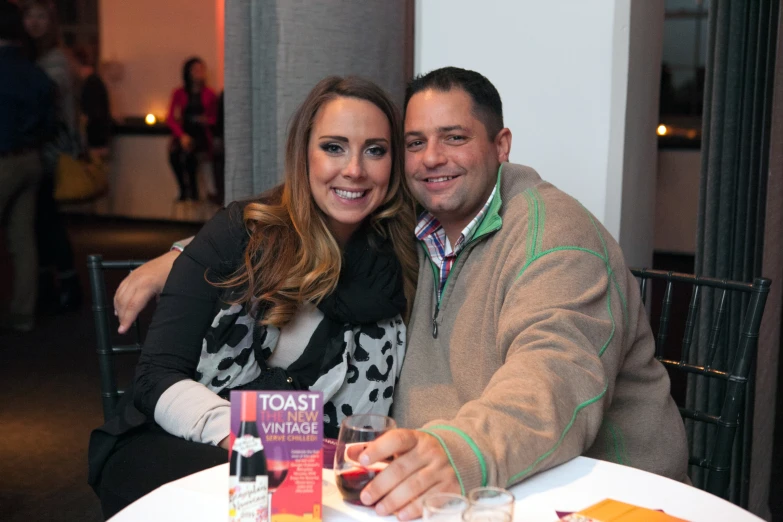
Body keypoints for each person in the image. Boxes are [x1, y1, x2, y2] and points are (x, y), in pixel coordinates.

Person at [112, 67, 689, 519]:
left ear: (501, 144)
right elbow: (286, 221)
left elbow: (552, 381)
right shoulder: (422, 224)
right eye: (416, 142)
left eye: (454, 138)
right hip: (433, 481)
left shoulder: (551, 237)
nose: (432, 158)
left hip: (586, 491)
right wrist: (183, 257)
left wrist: (454, 452)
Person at [88, 76, 419, 519]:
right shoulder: (241, 235)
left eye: (375, 150)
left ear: (394, 164)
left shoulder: (402, 258)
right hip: (183, 440)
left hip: (313, 467)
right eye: (333, 147)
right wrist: (248, 441)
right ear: (304, 155)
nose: (355, 169)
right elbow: (156, 377)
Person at [21, 0, 81, 312]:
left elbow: (46, 104)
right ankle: (55, 283)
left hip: (51, 149)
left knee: (46, 219)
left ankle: (67, 284)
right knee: (40, 220)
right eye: (29, 15)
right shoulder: (37, 57)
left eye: (41, 15)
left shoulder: (55, 60)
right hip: (44, 147)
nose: (34, 22)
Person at [0, 0, 54, 332]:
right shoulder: (34, 71)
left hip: (3, 160)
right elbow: (48, 120)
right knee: (22, 240)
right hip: (32, 159)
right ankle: (23, 314)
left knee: (21, 239)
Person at [167, 57, 218, 201]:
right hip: (185, 132)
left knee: (192, 154)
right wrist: (181, 135)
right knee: (175, 154)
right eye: (196, 70)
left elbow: (215, 118)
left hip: (201, 133)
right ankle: (183, 188)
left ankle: (194, 191)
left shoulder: (209, 93)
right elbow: (171, 118)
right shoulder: (179, 93)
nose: (200, 73)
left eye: (202, 69)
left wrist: (206, 120)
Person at [74, 44, 112, 158]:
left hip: (96, 143)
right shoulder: (95, 82)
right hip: (99, 141)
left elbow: (93, 114)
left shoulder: (91, 83)